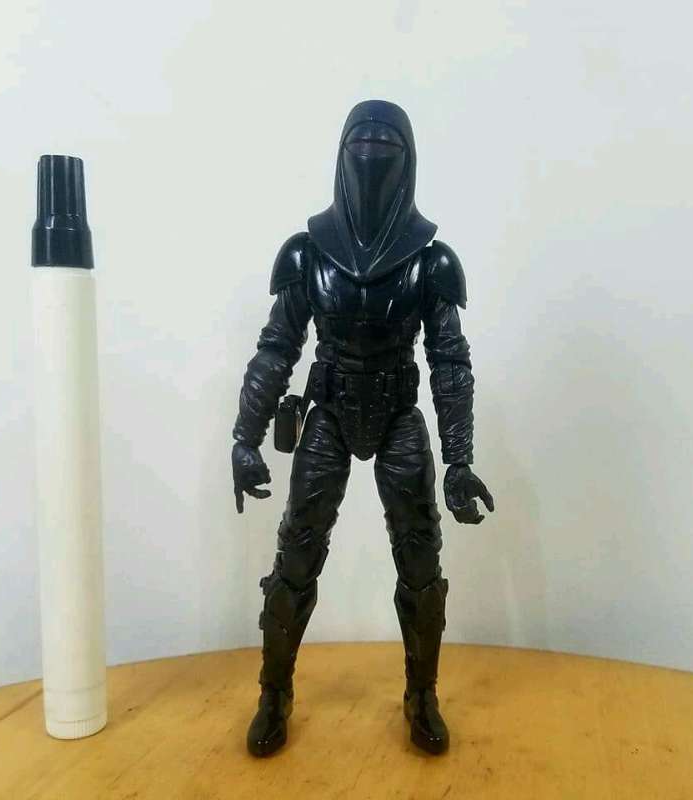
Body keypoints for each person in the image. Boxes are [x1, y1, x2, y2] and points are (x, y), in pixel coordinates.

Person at [232, 100, 494, 757]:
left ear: (409, 160)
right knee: (296, 557)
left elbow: (450, 363)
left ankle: (421, 694)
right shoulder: (307, 254)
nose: (373, 155)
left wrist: (459, 460)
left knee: (421, 562)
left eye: (387, 146)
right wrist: (245, 435)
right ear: (342, 156)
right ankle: (274, 692)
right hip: (328, 410)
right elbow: (277, 348)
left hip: (400, 413)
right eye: (361, 143)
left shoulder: (431, 263)